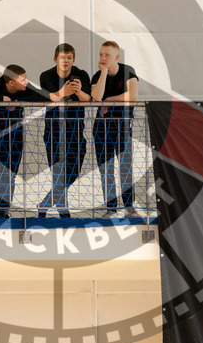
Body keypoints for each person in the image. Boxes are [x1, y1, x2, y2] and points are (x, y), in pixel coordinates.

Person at [0, 64, 46, 219]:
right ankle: (0, 211)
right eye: (23, 79)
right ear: (11, 83)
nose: (26, 82)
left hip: (16, 138)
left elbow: (43, 96)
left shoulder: (24, 88)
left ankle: (4, 210)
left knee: (11, 176)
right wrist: (2, 100)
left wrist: (16, 101)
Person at [37, 43, 92, 218]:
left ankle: (46, 202)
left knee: (74, 169)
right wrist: (64, 91)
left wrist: (78, 91)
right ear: (55, 59)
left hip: (76, 129)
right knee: (58, 171)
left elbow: (88, 99)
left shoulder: (81, 75)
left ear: (73, 59)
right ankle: (63, 209)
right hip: (53, 130)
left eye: (69, 58)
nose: (65, 61)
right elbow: (50, 96)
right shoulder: (46, 76)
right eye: (62, 57)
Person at [90, 41, 139, 215]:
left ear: (117, 57)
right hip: (101, 128)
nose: (103, 58)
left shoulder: (127, 71)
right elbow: (96, 97)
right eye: (101, 55)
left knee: (125, 167)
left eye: (107, 55)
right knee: (106, 168)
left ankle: (129, 207)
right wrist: (104, 71)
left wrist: (109, 99)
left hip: (123, 126)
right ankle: (111, 208)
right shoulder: (97, 75)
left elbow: (132, 96)